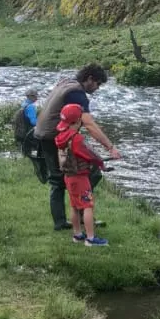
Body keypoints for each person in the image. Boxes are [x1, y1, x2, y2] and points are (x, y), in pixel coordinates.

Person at [34, 65, 122, 231]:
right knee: (89, 173)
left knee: (58, 179)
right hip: (54, 136)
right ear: (89, 79)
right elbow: (89, 124)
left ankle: (65, 220)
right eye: (98, 84)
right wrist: (110, 147)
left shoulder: (66, 82)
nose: (97, 88)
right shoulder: (77, 93)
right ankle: (81, 214)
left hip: (44, 134)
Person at [56, 103, 109, 246]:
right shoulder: (77, 138)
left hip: (68, 176)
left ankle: (78, 235)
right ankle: (91, 239)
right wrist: (100, 163)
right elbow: (88, 154)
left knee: (74, 205)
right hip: (80, 177)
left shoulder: (61, 136)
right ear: (78, 121)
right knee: (87, 205)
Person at [11, 88, 47, 184]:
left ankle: (25, 160)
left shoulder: (24, 104)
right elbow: (33, 121)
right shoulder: (30, 107)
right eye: (35, 96)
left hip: (22, 132)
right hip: (29, 132)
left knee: (26, 150)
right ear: (31, 97)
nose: (36, 97)